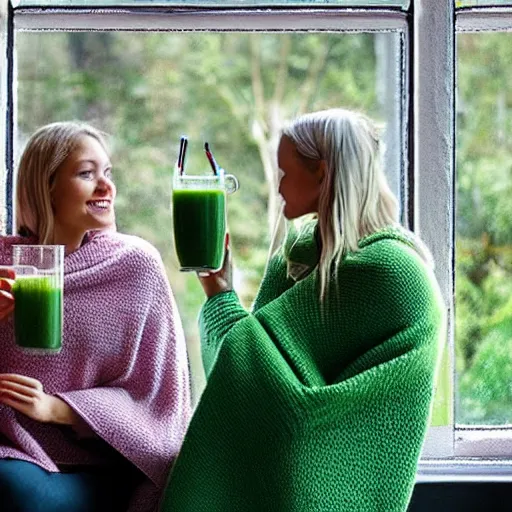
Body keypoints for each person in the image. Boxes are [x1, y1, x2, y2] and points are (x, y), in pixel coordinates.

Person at [160, 108, 446, 511]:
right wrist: (219, 292)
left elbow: (281, 394)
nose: (277, 188)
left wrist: (224, 301)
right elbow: (245, 377)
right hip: (278, 481)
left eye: (284, 174)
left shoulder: (391, 274)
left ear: (322, 173)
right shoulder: (295, 257)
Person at [0, 121, 191, 512]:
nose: (106, 187)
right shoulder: (5, 265)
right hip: (10, 449)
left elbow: (158, 399)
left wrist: (57, 408)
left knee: (18, 495)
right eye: (87, 174)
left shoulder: (135, 266)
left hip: (100, 465)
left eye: (107, 173)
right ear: (46, 186)